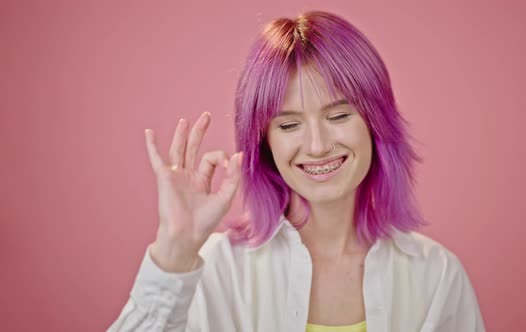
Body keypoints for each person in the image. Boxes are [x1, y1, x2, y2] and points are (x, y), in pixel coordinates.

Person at [108, 11, 485, 332]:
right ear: (265, 142)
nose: (318, 145)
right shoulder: (217, 268)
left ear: (375, 123)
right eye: (288, 125)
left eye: (338, 116)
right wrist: (173, 253)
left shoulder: (436, 276)